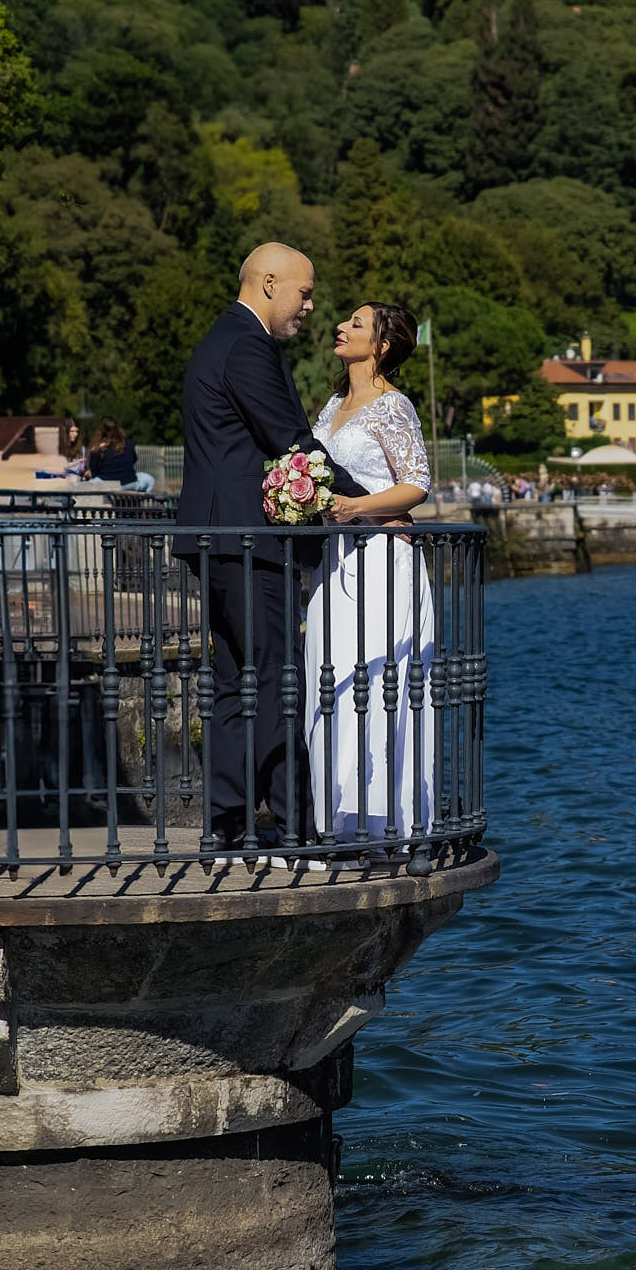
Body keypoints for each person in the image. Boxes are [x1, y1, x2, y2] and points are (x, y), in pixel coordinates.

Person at [177, 242, 361, 848]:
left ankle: (229, 825)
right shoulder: (248, 345)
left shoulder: (225, 337)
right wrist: (370, 506)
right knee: (278, 678)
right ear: (269, 284)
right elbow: (292, 440)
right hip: (251, 540)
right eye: (304, 293)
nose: (310, 306)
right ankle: (290, 825)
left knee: (238, 682)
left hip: (223, 535)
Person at [305, 302, 434, 848]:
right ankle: (334, 815)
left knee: (380, 677)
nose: (342, 327)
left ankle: (384, 821)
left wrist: (359, 510)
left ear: (382, 345)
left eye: (357, 324)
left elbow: (418, 485)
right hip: (332, 560)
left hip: (382, 558)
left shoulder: (393, 406)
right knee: (326, 678)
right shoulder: (333, 403)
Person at [81, 418, 153, 491]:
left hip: (108, 485)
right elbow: (134, 460)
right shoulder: (128, 443)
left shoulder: (98, 448)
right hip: (130, 483)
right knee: (150, 479)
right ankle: (141, 499)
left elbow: (94, 471)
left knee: (84, 487)